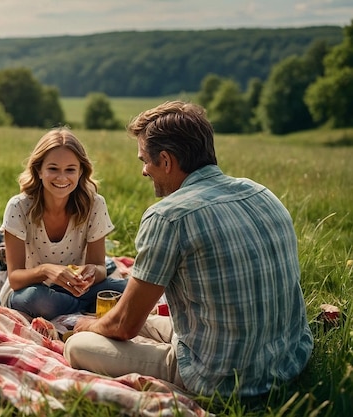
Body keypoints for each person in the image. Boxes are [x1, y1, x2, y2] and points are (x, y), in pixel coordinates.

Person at [64, 101, 313, 398]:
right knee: (144, 322)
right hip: (288, 361)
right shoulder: (263, 193)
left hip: (221, 377)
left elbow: (125, 326)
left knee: (77, 346)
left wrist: (87, 328)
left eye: (145, 160)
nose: (144, 170)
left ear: (167, 161)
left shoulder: (168, 216)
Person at [0, 127, 127, 320]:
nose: (62, 178)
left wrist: (91, 271)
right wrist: (47, 270)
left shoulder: (95, 204)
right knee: (36, 299)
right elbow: (15, 279)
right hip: (33, 290)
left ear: (81, 171)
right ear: (39, 170)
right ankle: (85, 308)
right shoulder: (19, 207)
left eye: (70, 170)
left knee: (129, 288)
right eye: (53, 169)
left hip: (78, 289)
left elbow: (100, 268)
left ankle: (76, 308)